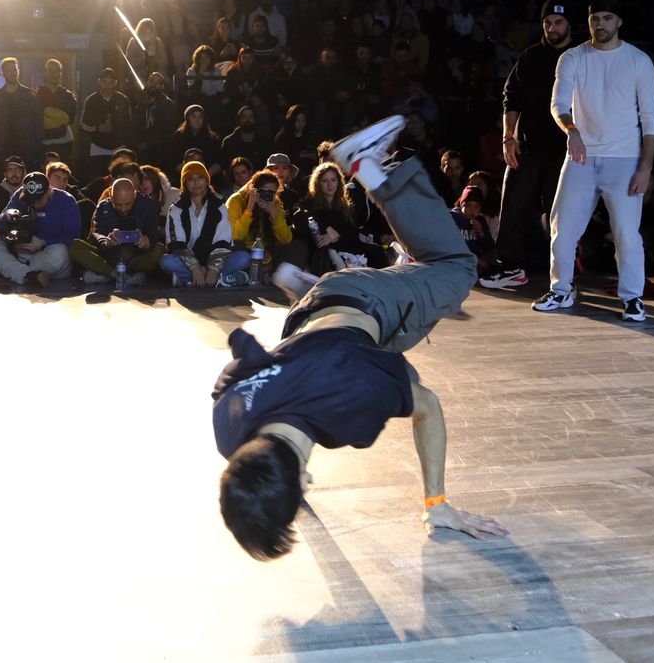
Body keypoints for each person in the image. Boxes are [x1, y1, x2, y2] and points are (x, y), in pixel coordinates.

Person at [213, 116, 506, 559]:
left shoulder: (355, 394)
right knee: (370, 353)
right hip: (306, 320)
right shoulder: (229, 424)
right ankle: (311, 283)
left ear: (302, 481)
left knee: (455, 266)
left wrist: (436, 505)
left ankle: (366, 167)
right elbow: (239, 366)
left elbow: (428, 408)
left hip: (369, 303)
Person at [533, 0, 654, 322]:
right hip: (580, 157)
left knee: (627, 234)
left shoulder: (638, 61)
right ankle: (561, 289)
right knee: (562, 229)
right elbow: (557, 104)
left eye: (606, 18)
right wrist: (571, 130)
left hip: (624, 158)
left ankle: (632, 298)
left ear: (619, 21)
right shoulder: (572, 57)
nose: (599, 24)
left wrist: (645, 168)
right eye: (594, 19)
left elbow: (650, 118)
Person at [480, 0, 575, 290]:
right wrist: (508, 137)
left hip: (566, 150)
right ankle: (510, 268)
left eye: (558, 22)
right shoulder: (531, 56)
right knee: (513, 209)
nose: (552, 28)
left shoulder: (580, 55)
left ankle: (565, 276)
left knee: (562, 215)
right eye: (547, 22)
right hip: (528, 146)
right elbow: (512, 97)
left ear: (569, 24)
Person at [277, 161, 388, 283]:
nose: (330, 185)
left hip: (346, 243)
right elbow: (298, 217)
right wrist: (326, 228)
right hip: (323, 247)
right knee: (323, 254)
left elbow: (352, 228)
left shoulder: (344, 205)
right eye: (325, 181)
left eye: (333, 180)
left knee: (376, 251)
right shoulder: (311, 203)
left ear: (338, 182)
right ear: (318, 183)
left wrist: (336, 234)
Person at [0, 172, 80, 287]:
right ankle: (29, 275)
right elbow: (0, 225)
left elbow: (74, 235)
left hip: (50, 256)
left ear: (49, 192)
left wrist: (43, 242)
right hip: (21, 253)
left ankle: (12, 272)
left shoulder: (66, 200)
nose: (35, 204)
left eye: (39, 200)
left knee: (60, 251)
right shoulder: (19, 196)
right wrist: (7, 216)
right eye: (30, 200)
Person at [163, 160, 251, 287]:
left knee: (243, 258)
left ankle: (190, 280)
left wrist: (214, 268)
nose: (196, 182)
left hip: (214, 260)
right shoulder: (176, 208)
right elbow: (176, 244)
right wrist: (195, 268)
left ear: (206, 180)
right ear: (184, 183)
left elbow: (223, 241)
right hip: (188, 262)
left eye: (200, 177)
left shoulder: (219, 206)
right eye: (190, 179)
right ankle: (219, 280)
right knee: (166, 261)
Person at [69, 178, 165, 287]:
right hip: (109, 258)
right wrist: (106, 242)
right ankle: (117, 275)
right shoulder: (103, 207)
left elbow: (153, 233)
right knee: (75, 246)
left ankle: (106, 276)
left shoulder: (147, 205)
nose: (123, 209)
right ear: (110, 196)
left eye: (128, 204)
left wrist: (147, 242)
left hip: (136, 258)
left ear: (134, 196)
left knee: (160, 250)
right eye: (118, 205)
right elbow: (96, 233)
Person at [227, 170, 292, 272]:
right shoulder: (237, 201)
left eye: (272, 193)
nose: (267, 196)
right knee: (239, 251)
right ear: (254, 190)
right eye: (265, 192)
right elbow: (235, 237)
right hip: (245, 249)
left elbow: (286, 239)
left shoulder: (275, 203)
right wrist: (249, 210)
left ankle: (277, 275)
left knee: (296, 246)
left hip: (267, 250)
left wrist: (274, 215)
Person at [0, 56, 42, 168]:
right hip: (2, 150)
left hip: (26, 150)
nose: (12, 73)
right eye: (8, 70)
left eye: (14, 70)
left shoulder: (30, 96)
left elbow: (38, 124)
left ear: (18, 71)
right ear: (2, 73)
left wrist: (37, 150)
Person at [80, 67, 132, 168]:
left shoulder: (123, 100)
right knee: (99, 177)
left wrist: (115, 127)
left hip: (119, 147)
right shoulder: (91, 100)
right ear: (99, 82)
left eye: (111, 82)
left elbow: (129, 123)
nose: (107, 86)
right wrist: (98, 128)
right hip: (98, 147)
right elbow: (83, 125)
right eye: (105, 82)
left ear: (115, 83)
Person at [450, 186, 499, 277]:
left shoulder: (480, 220)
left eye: (477, 206)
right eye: (468, 205)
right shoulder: (452, 218)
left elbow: (489, 246)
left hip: (475, 261)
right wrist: (474, 258)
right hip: (456, 257)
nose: (472, 210)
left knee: (491, 259)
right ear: (462, 204)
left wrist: (481, 234)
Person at [37, 58, 78, 162]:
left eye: (56, 71)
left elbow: (69, 119)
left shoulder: (68, 95)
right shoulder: (37, 95)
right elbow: (36, 119)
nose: (53, 74)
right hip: (42, 146)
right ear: (45, 73)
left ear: (60, 74)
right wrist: (59, 117)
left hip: (64, 146)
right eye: (50, 71)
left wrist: (46, 110)